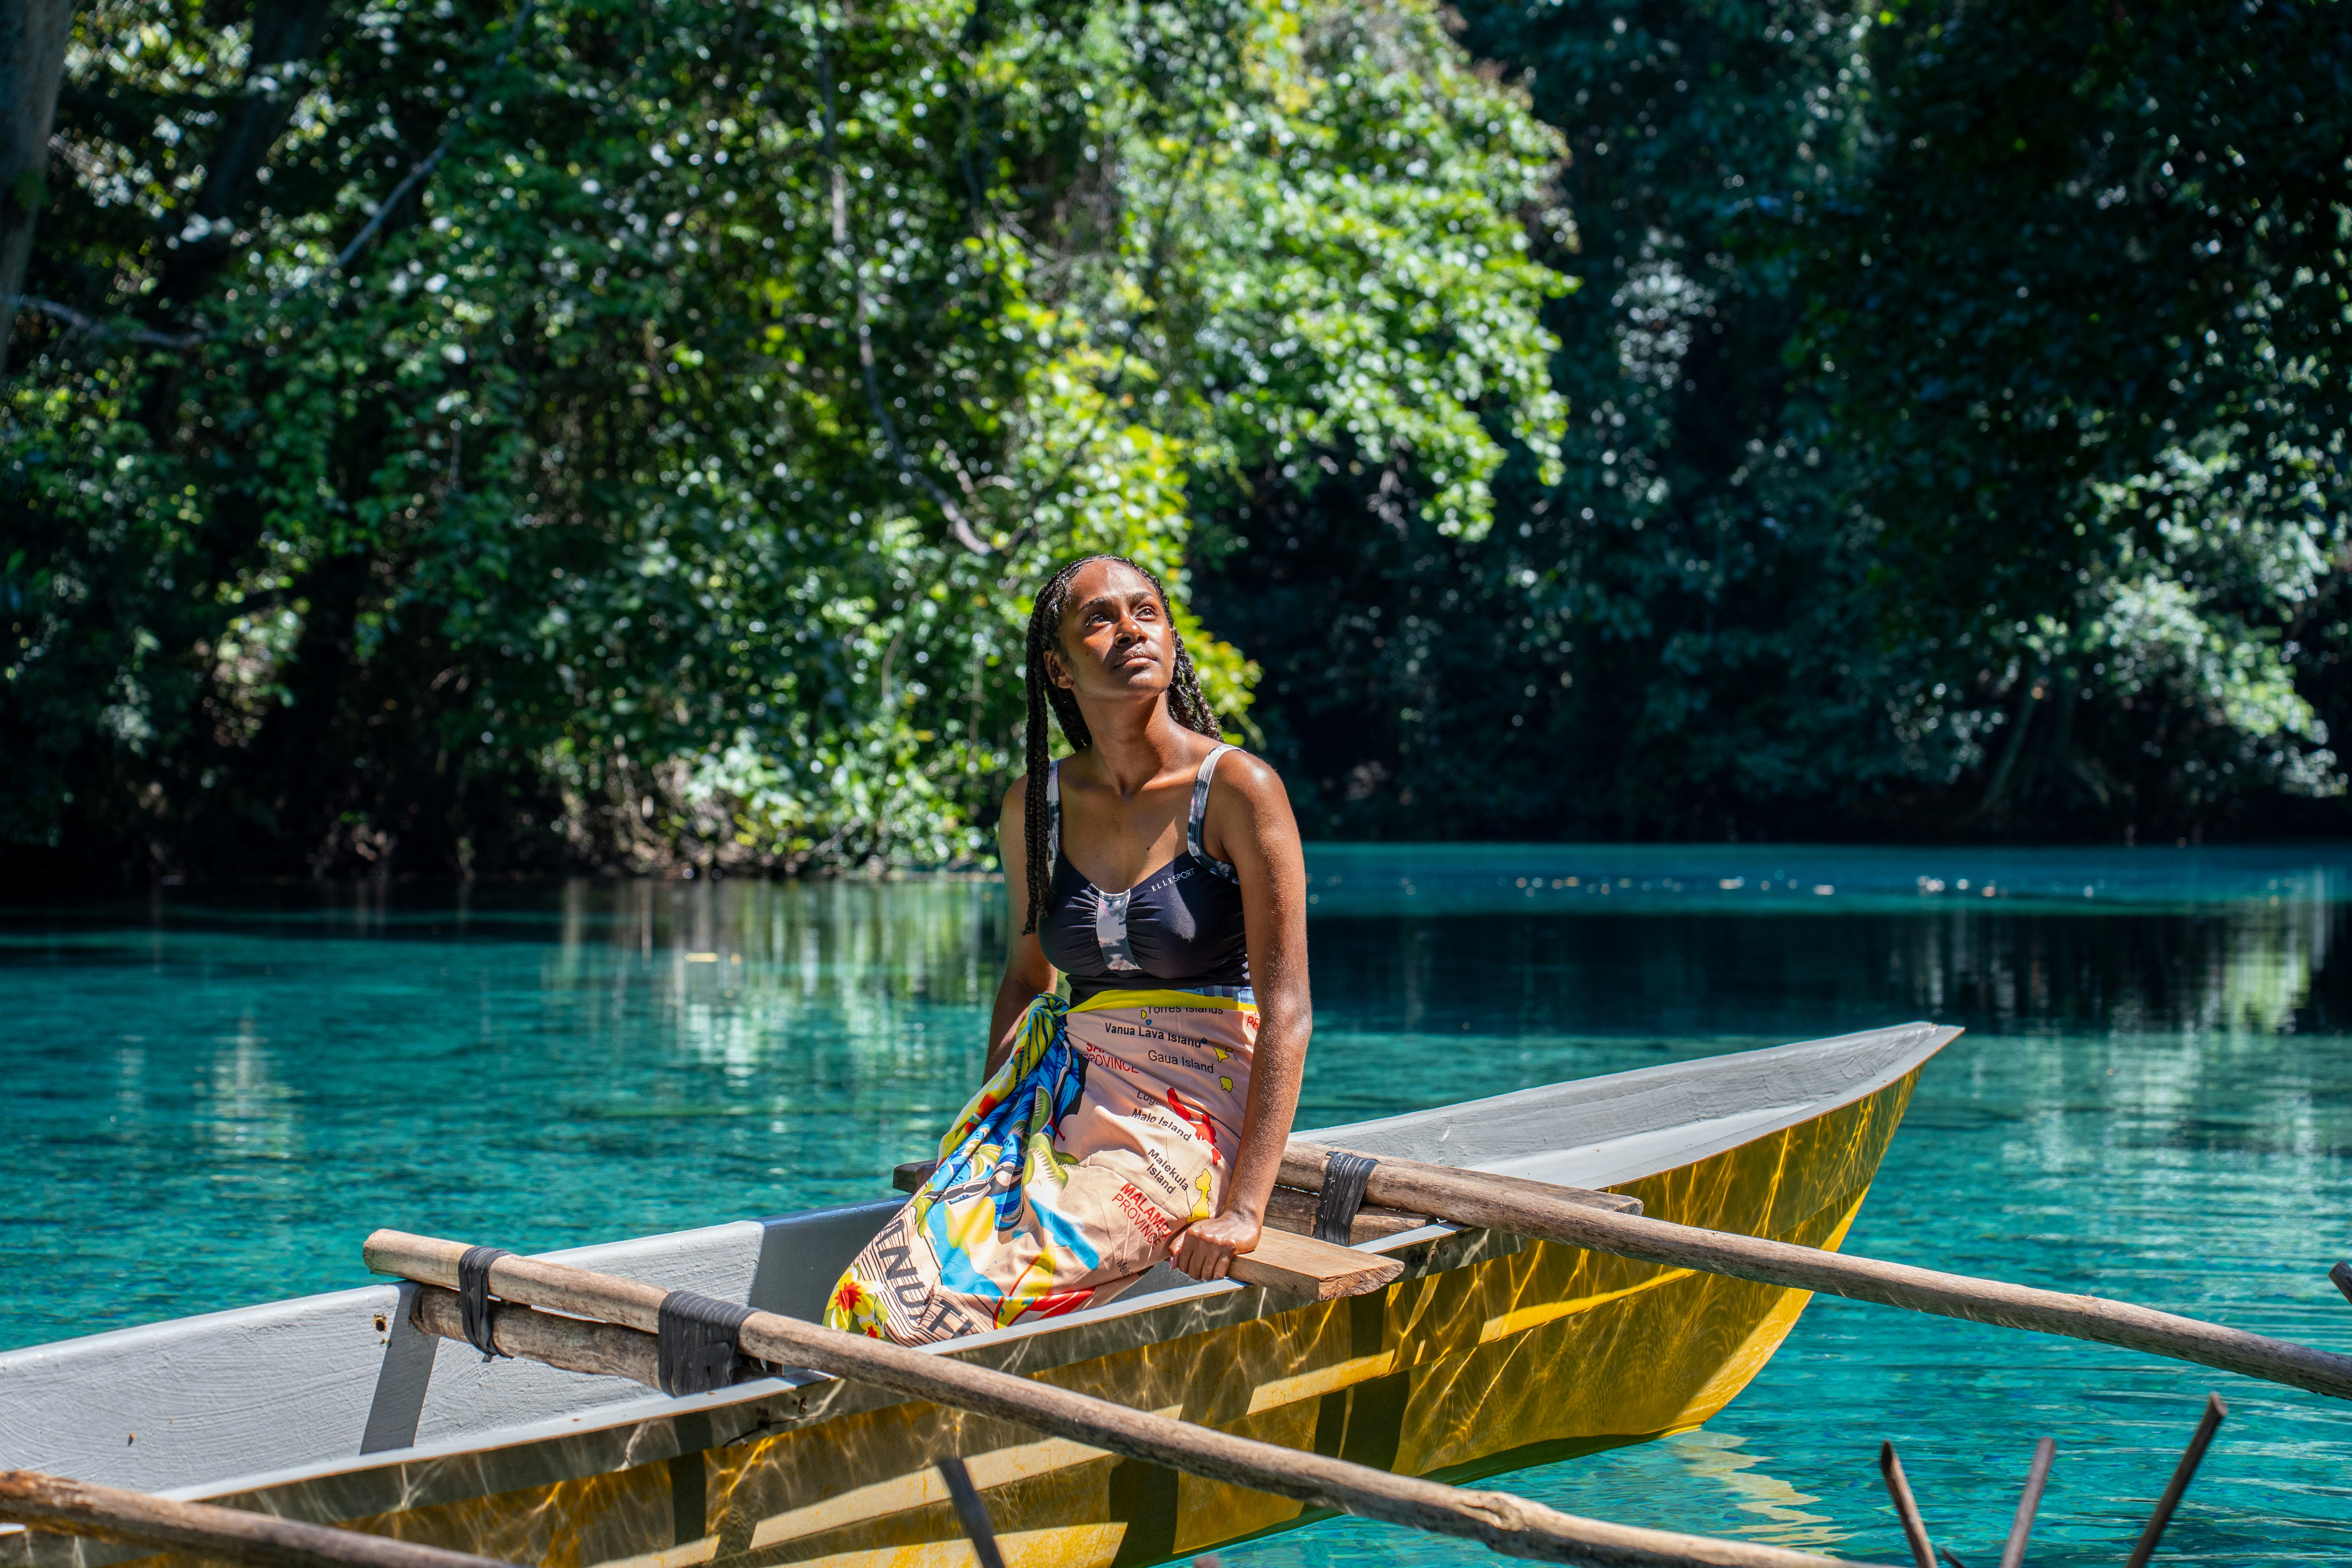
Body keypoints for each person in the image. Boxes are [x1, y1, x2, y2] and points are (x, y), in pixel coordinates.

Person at [825, 554, 1312, 1344]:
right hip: (1062, 1090)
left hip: (1192, 1109)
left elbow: (1286, 1011)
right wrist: (986, 1143)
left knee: (939, 1303)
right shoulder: (1038, 804)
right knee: (869, 1289)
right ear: (1057, 665)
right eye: (1099, 619)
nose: (1129, 631)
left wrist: (1243, 1211)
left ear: (1170, 634)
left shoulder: (1236, 789)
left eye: (1145, 612)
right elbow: (1025, 982)